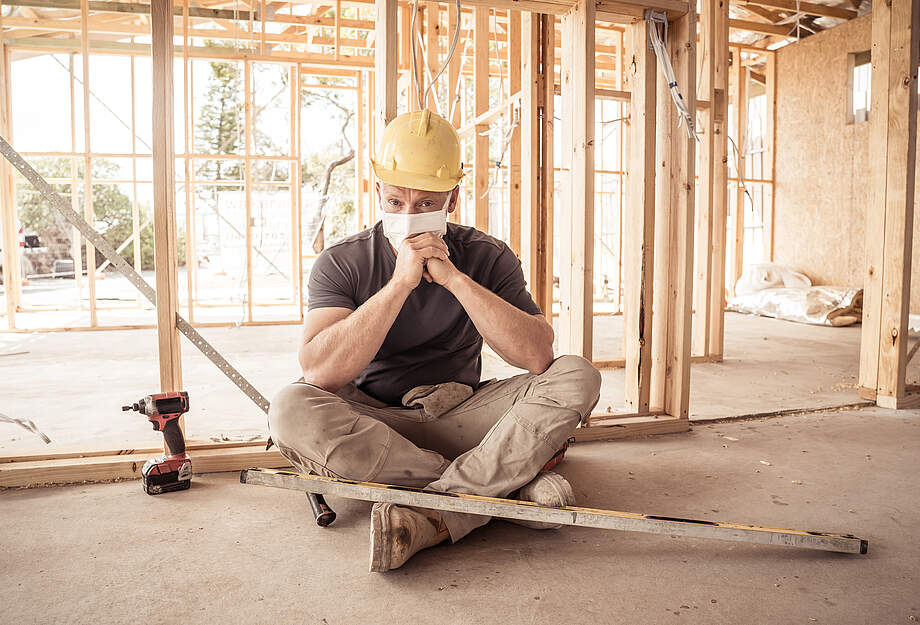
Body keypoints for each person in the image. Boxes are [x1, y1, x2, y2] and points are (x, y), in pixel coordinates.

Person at [268, 109, 601, 572]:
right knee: (289, 408)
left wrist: (455, 280)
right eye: (397, 202)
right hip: (374, 423)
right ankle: (501, 486)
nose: (409, 216)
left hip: (463, 414)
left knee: (576, 374)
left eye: (426, 204)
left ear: (453, 199)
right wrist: (398, 285)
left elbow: (537, 355)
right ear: (377, 192)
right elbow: (320, 372)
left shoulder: (487, 255)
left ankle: (447, 502)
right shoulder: (341, 262)